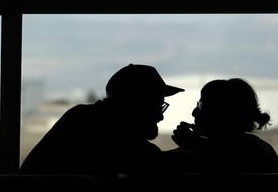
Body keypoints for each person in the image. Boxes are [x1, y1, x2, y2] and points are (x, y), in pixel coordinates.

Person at [19, 64, 183, 176]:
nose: (160, 115)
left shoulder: (83, 118)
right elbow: (151, 163)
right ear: (135, 103)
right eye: (155, 105)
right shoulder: (109, 133)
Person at [169, 78, 278, 173]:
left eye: (201, 106)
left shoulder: (230, 153)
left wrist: (190, 146)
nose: (194, 112)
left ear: (222, 113)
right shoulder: (257, 147)